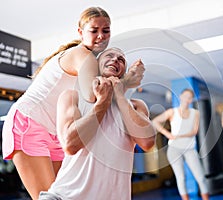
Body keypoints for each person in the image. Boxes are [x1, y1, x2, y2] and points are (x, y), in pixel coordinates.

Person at [1, 7, 144, 200]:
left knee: (65, 193)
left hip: (55, 132)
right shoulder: (81, 55)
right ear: (80, 32)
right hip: (28, 122)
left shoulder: (94, 61)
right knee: (47, 196)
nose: (101, 36)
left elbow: (105, 95)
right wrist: (127, 81)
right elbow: (93, 97)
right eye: (94, 30)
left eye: (106, 30)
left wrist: (123, 82)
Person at [38, 47, 156, 200]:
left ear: (122, 73)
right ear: (96, 65)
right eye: (109, 56)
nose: (115, 60)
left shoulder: (135, 105)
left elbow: (147, 142)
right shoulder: (72, 96)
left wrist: (119, 95)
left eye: (121, 60)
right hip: (63, 197)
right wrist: (102, 102)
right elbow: (70, 144)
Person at [152, 89, 209, 200]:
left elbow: (194, 131)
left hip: (190, 149)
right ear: (181, 97)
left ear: (192, 99)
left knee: (200, 177)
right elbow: (155, 122)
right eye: (186, 96)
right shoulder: (172, 112)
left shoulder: (195, 113)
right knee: (181, 177)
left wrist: (178, 136)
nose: (187, 99)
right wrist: (167, 133)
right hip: (174, 149)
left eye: (190, 97)